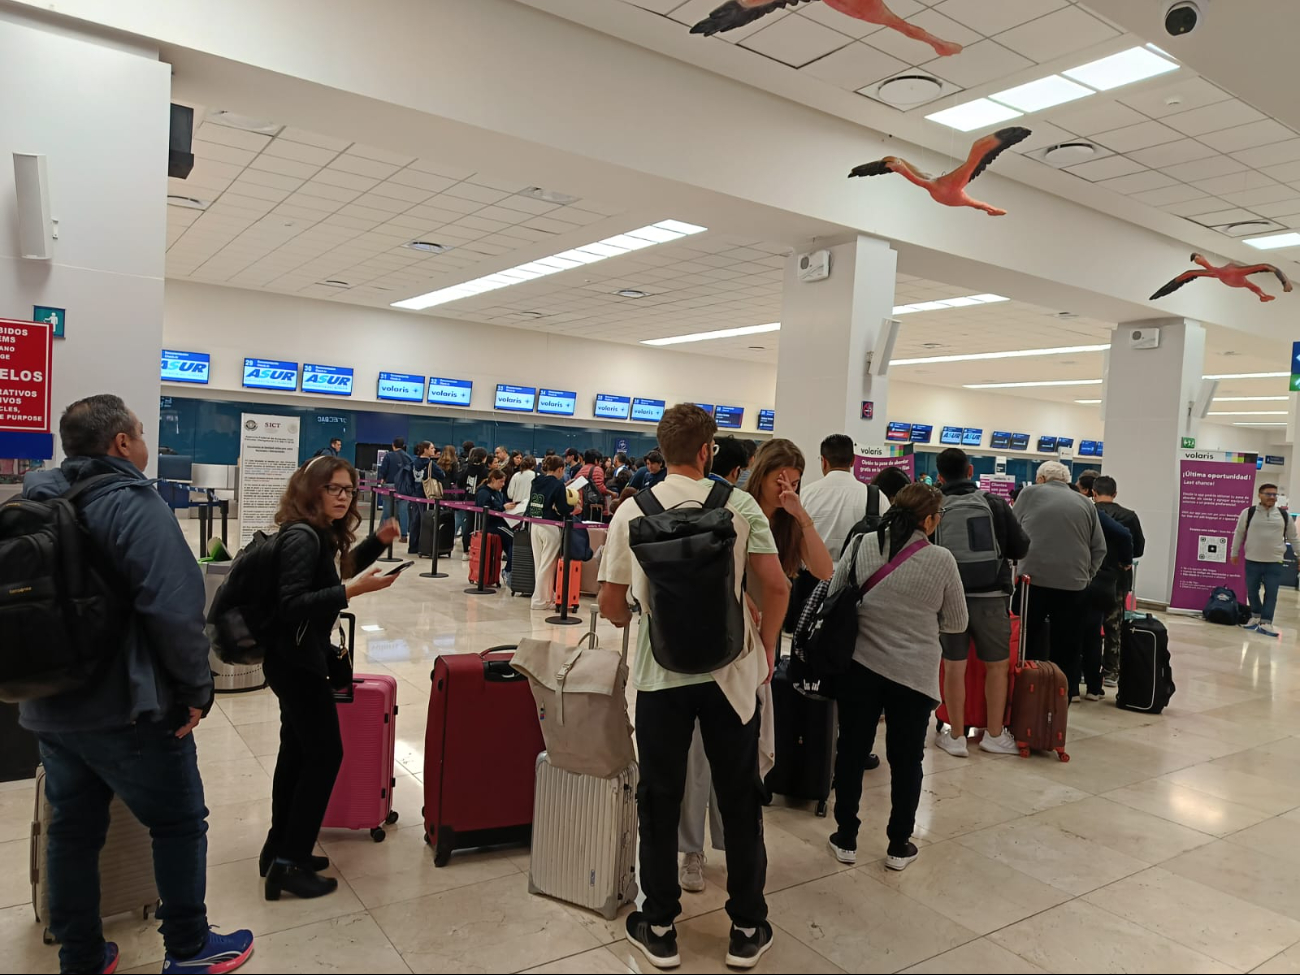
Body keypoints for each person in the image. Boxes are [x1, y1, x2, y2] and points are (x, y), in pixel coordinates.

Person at [21, 394, 255, 974]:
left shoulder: (34, 501)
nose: (146, 444)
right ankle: (190, 946)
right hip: (128, 705)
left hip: (49, 702)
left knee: (72, 831)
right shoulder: (132, 504)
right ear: (122, 443)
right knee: (178, 822)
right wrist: (197, 689)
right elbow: (175, 612)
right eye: (141, 434)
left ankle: (82, 955)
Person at [599, 404, 788, 969]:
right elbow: (775, 588)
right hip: (729, 675)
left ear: (661, 451)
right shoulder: (741, 505)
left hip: (660, 678)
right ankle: (748, 927)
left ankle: (658, 925)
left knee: (659, 796)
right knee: (739, 796)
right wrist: (768, 648)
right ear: (708, 451)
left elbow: (610, 607)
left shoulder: (631, 509)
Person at [262, 457, 400, 899]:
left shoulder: (315, 534)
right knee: (323, 756)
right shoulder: (302, 536)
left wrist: (378, 543)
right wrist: (354, 591)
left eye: (348, 490)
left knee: (297, 753)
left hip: (298, 659)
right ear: (311, 490)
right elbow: (292, 603)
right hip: (297, 663)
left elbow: (334, 573)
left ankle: (279, 848)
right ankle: (289, 862)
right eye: (333, 489)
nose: (342, 497)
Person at [828, 483, 967, 873]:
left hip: (860, 667)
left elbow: (836, 592)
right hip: (914, 675)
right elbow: (957, 622)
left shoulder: (861, 544)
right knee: (907, 760)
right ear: (928, 520)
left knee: (852, 751)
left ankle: (846, 837)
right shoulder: (941, 559)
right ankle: (898, 844)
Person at [932, 448, 1031, 757]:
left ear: (940, 476)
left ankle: (957, 736)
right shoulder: (994, 504)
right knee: (997, 667)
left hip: (950, 598)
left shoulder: (935, 506)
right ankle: (994, 735)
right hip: (992, 597)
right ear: (971, 471)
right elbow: (1020, 546)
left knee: (954, 667)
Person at [1013, 460, 1106, 702]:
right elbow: (1099, 548)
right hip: (1073, 584)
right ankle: (1065, 692)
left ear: (1041, 479)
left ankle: (1027, 689)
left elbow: (1012, 533)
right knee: (1069, 642)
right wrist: (1086, 576)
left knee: (1027, 636)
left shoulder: (1030, 493)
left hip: (1031, 581)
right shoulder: (1086, 503)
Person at [1091, 475, 1145, 685]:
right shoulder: (1129, 516)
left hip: (1092, 575)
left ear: (1094, 493)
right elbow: (1138, 548)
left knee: (1090, 622)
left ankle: (1087, 668)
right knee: (1114, 624)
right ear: (1115, 494)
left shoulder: (1089, 512)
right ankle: (1111, 671)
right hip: (1119, 577)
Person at [1231, 482, 1297, 637]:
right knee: (1252, 591)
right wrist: (1234, 552)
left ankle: (1266, 622)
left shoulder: (1283, 515)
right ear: (1260, 495)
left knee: (1271, 593)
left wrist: (1299, 554)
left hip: (1274, 562)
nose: (1272, 497)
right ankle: (1255, 616)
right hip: (1252, 560)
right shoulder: (1249, 512)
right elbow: (1239, 533)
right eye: (1269, 494)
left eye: (1275, 495)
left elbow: (1293, 537)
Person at [1080, 506, 1133, 701]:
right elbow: (1124, 535)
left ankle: (1072, 689)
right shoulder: (1093, 512)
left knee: (1071, 633)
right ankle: (1094, 687)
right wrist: (1125, 561)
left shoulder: (1083, 511)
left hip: (1075, 577)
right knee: (1093, 634)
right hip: (1099, 578)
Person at [801, 434, 875, 558]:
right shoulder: (875, 496)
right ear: (853, 461)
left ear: (824, 461)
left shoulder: (805, 495)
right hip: (859, 574)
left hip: (811, 574)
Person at [527, 455, 571, 611]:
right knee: (548, 565)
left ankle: (545, 597)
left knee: (539, 563)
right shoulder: (558, 485)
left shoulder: (536, 481)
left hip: (535, 524)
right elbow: (563, 508)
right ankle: (539, 600)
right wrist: (573, 508)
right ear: (560, 469)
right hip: (550, 526)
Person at [475, 468, 515, 584]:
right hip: (491, 525)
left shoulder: (499, 493)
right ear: (493, 480)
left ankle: (511, 566)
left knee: (515, 541)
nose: (502, 485)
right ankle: (508, 570)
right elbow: (485, 511)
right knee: (514, 539)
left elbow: (503, 505)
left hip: (502, 522)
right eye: (500, 482)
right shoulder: (483, 493)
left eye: (504, 482)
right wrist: (503, 508)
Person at [376, 436, 415, 542]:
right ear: (403, 446)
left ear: (393, 445)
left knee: (387, 511)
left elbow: (383, 471)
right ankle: (403, 535)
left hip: (390, 486)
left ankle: (381, 533)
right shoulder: (408, 457)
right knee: (403, 512)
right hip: (404, 487)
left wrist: (381, 479)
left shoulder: (388, 456)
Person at [408, 442, 444, 556]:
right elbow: (442, 475)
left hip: (415, 494)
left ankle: (413, 546)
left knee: (415, 520)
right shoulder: (430, 464)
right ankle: (425, 546)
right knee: (427, 521)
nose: (434, 450)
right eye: (432, 448)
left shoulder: (413, 462)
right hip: (427, 495)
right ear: (425, 450)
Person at [459, 447, 490, 560]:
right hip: (481, 501)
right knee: (482, 526)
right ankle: (479, 550)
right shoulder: (485, 471)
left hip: (468, 499)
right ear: (484, 458)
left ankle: (465, 551)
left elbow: (460, 482)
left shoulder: (466, 468)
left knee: (469, 525)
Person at [577, 448, 613, 519]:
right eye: (599, 461)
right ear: (596, 460)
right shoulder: (597, 469)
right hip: (593, 506)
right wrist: (612, 493)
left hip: (581, 506)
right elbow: (600, 488)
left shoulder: (581, 470)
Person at [504, 454, 536, 528]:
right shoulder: (537, 476)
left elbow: (510, 495)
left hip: (515, 510)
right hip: (530, 511)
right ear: (533, 466)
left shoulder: (516, 475)